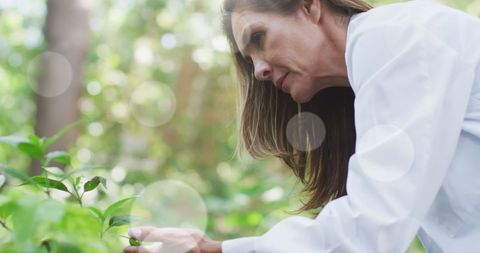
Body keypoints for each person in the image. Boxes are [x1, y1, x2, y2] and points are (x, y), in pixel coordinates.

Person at [124, 0, 480, 252]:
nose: (259, 70)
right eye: (250, 61)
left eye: (258, 38)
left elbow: (370, 234)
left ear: (309, 6)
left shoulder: (395, 37)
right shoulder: (372, 81)